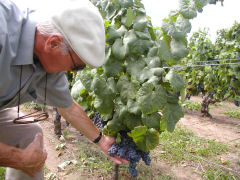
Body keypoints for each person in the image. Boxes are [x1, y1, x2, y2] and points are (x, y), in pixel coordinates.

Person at [0, 0, 128, 179]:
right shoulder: (3, 32)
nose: (74, 72)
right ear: (53, 43)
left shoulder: (49, 62)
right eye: (77, 66)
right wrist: (18, 158)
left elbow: (67, 107)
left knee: (30, 135)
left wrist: (102, 141)